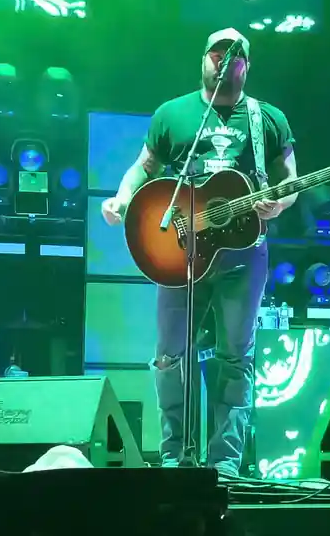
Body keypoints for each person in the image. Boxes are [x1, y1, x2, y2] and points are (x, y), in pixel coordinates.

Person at [100, 28, 298, 477]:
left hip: (243, 254)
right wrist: (122, 196)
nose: (224, 61)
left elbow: (290, 177)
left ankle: (225, 462)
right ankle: (175, 453)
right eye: (216, 54)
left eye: (235, 56)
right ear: (203, 60)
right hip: (180, 251)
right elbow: (143, 166)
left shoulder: (267, 118)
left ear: (248, 65)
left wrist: (280, 201)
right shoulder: (173, 113)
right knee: (170, 353)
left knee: (236, 355)